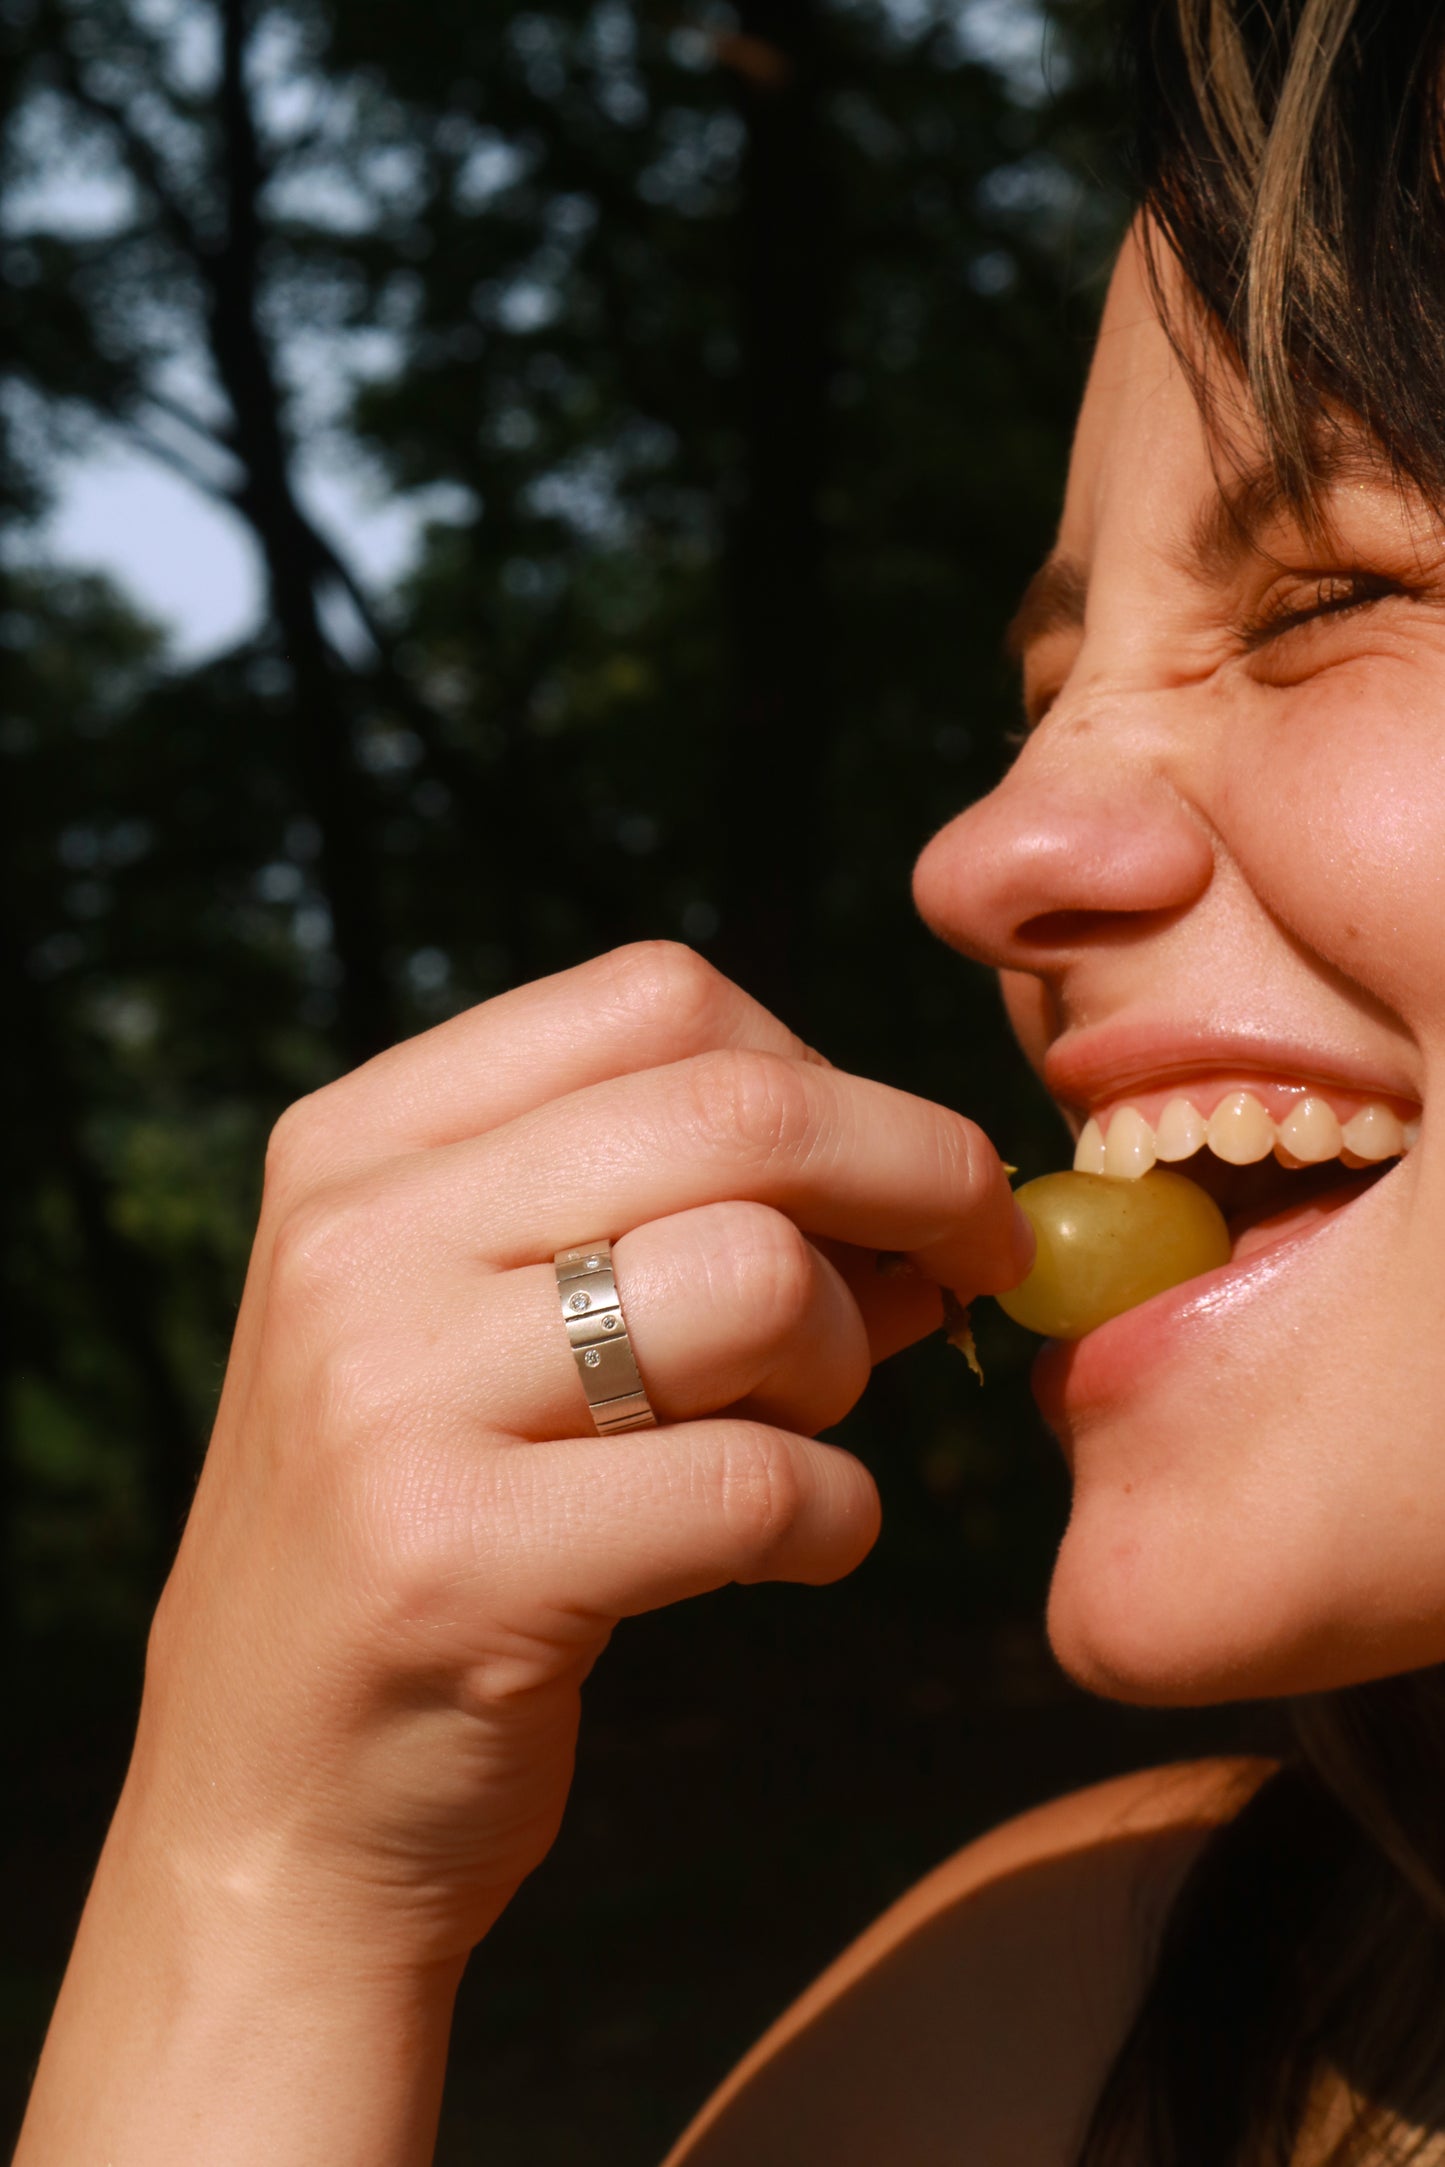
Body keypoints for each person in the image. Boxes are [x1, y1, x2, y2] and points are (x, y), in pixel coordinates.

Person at [16, 2, 1445, 2161]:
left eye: (1332, 589)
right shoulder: (1064, 2045)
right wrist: (264, 1893)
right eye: (1041, 684)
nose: (982, 856)